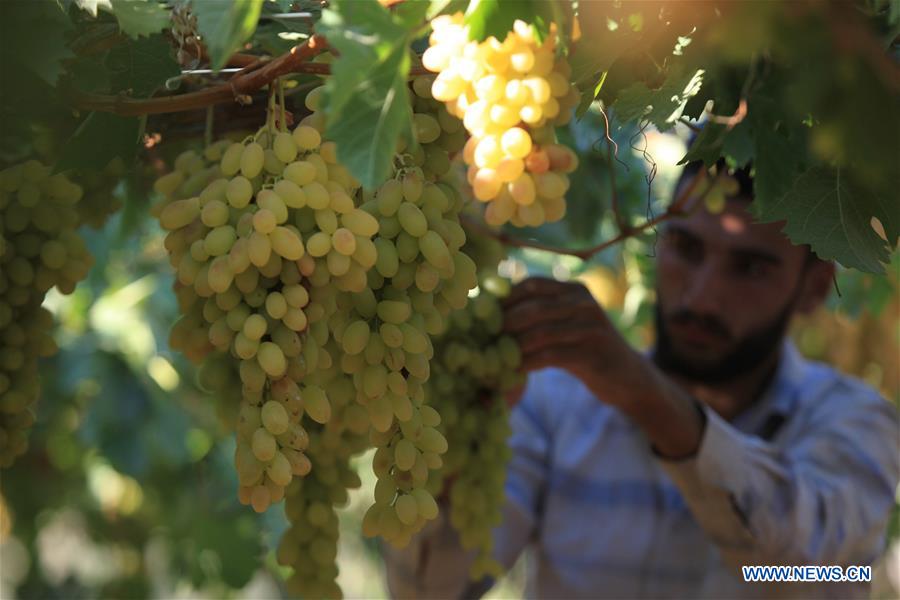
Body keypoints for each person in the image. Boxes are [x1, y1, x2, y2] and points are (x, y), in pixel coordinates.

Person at [383, 164, 900, 599]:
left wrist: (650, 401)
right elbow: (429, 591)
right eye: (686, 249)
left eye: (749, 268)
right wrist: (450, 464)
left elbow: (819, 572)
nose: (701, 297)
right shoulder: (555, 403)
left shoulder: (856, 420)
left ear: (812, 287)